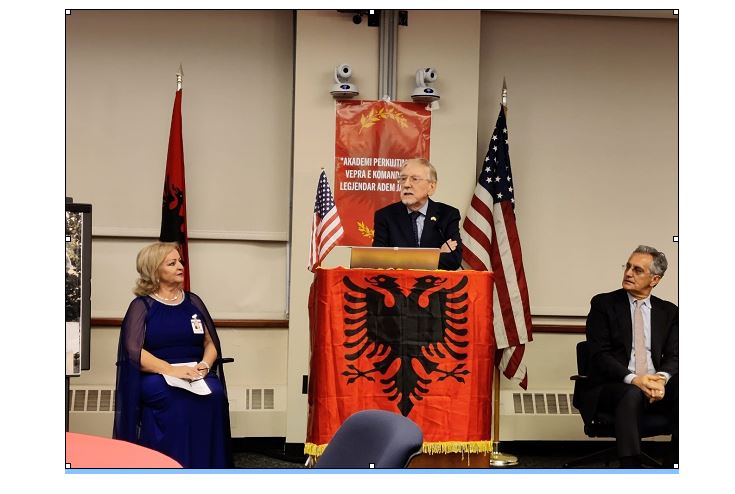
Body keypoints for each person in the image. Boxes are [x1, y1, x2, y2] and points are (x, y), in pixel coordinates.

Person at [113, 242, 232, 468]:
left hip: (195, 372)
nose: (180, 267)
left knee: (215, 393)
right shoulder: (142, 306)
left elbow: (210, 343)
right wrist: (170, 370)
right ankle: (171, 466)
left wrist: (205, 365)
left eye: (180, 262)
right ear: (154, 270)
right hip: (157, 374)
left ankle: (208, 467)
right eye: (172, 263)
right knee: (173, 397)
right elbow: (133, 350)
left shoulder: (193, 302)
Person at [583, 245, 678, 468]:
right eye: (627, 267)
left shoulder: (669, 311)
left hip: (655, 385)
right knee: (632, 393)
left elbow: (676, 354)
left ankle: (676, 465)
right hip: (615, 385)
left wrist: (661, 379)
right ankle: (630, 468)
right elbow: (599, 355)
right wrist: (636, 380)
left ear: (655, 279)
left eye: (637, 270)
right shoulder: (603, 304)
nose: (628, 273)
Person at [372, 158, 463, 270]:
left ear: (431, 187)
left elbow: (453, 260)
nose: (406, 184)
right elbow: (379, 260)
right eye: (403, 179)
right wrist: (436, 254)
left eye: (414, 179)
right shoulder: (385, 216)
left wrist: (401, 260)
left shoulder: (448, 215)